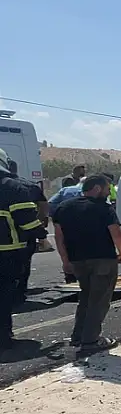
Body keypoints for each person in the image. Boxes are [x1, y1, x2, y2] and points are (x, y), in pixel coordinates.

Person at [52, 175, 121, 354]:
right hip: (103, 260)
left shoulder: (64, 207)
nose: (109, 192)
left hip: (78, 261)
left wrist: (65, 262)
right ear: (96, 188)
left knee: (85, 298)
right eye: (107, 188)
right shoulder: (104, 209)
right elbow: (116, 233)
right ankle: (91, 340)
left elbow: (59, 238)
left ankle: (78, 336)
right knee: (99, 301)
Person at [0, 149, 47, 350]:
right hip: (8, 251)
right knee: (4, 295)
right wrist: (42, 235)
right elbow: (27, 222)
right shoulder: (13, 187)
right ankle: (3, 338)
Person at [7, 160, 48, 302]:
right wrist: (40, 225)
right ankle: (19, 293)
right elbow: (43, 205)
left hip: (6, 235)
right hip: (25, 234)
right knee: (24, 264)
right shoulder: (28, 185)